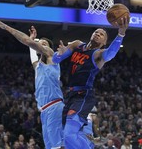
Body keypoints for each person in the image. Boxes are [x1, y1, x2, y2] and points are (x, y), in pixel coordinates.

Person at [52, 16, 129, 149]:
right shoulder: (77, 44)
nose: (98, 34)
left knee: (69, 135)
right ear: (91, 35)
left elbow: (111, 53)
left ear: (104, 42)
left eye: (102, 34)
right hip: (70, 95)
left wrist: (121, 33)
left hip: (84, 95)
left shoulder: (98, 55)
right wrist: (58, 54)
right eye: (97, 32)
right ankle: (90, 144)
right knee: (67, 137)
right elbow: (56, 59)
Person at [0, 21, 64, 149]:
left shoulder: (51, 55)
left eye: (44, 44)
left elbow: (27, 42)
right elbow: (33, 58)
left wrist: (5, 27)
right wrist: (32, 41)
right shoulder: (39, 66)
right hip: (44, 110)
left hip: (55, 106)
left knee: (58, 146)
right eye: (40, 43)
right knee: (51, 147)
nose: (41, 44)